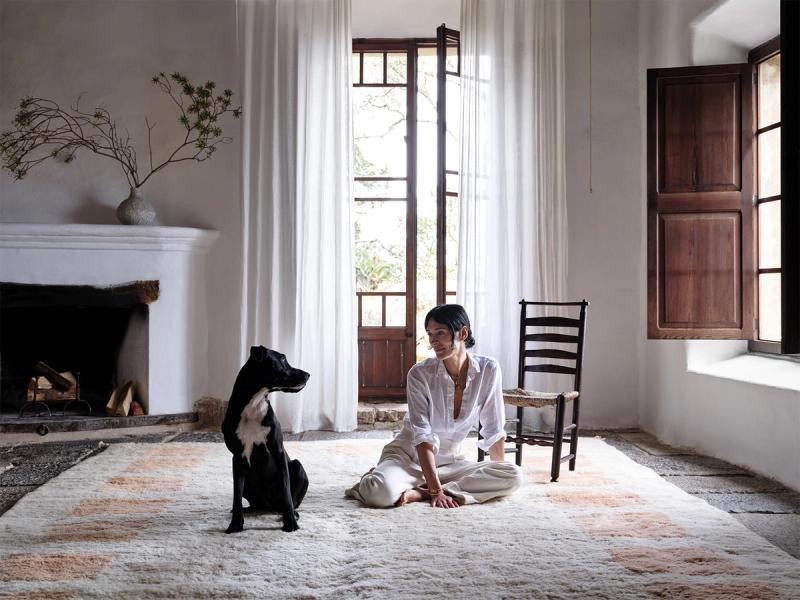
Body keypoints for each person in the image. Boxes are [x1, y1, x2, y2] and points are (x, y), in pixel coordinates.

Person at [347, 304, 523, 508]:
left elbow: (494, 428)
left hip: (451, 463)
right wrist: (436, 492)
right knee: (378, 494)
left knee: (514, 474)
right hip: (408, 459)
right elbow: (422, 437)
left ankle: (422, 492)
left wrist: (495, 475)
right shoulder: (419, 374)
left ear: (463, 333)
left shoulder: (488, 369)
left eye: (441, 333)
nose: (433, 341)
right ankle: (391, 478)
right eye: (430, 334)